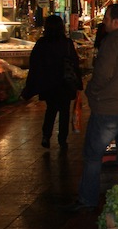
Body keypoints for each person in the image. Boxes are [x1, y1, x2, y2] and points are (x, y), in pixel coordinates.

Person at [71, 4, 118, 212]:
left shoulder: (112, 42)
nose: (104, 22)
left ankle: (87, 199)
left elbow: (102, 75)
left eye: (106, 18)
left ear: (115, 21)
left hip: (109, 109)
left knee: (93, 156)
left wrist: (92, 92)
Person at [21, 15, 83, 149]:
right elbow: (74, 63)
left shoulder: (42, 43)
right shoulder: (66, 43)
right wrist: (78, 83)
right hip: (64, 83)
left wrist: (31, 86)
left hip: (48, 83)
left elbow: (34, 64)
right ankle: (62, 140)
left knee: (51, 109)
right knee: (64, 112)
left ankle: (46, 135)